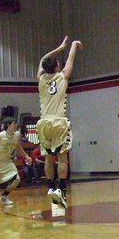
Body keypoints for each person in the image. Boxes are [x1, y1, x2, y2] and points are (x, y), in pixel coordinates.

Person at [36, 36, 83, 209]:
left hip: (43, 123)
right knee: (62, 158)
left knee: (48, 157)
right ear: (57, 66)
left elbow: (42, 60)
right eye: (58, 62)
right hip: (58, 122)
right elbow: (71, 60)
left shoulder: (40, 78)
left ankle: (50, 187)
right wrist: (72, 46)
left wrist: (58, 48)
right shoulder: (62, 77)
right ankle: (61, 191)